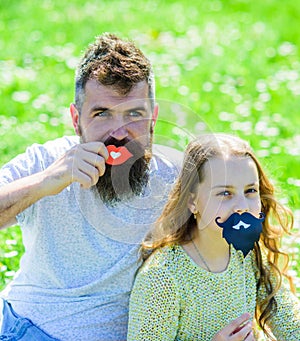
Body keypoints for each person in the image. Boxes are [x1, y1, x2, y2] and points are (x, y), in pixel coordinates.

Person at [0, 33, 183, 340]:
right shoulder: (46, 161)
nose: (119, 131)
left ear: (153, 119)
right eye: (102, 114)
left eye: (134, 114)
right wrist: (46, 183)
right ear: (76, 120)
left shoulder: (175, 181)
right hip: (26, 326)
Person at [127, 134, 300, 341]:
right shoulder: (162, 278)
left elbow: (291, 326)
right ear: (192, 202)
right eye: (225, 193)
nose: (242, 206)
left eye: (250, 191)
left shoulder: (249, 255)